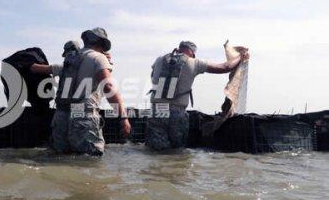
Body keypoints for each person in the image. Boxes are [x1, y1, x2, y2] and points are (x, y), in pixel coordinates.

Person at [146, 40, 248, 150]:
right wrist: (241, 56)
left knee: (156, 151)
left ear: (178, 48)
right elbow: (225, 67)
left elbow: (153, 76)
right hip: (177, 112)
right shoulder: (193, 62)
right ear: (192, 53)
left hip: (156, 112)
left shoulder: (159, 59)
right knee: (176, 153)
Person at [49, 28, 131, 156]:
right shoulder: (98, 58)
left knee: (62, 157)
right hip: (82, 117)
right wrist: (123, 117)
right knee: (90, 161)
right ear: (103, 44)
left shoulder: (71, 59)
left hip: (62, 116)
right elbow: (108, 87)